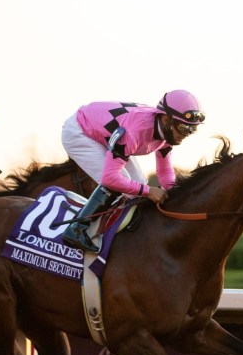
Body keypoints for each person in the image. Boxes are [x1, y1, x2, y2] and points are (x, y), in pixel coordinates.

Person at [60, 90, 205, 252]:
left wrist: (176, 195)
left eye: (192, 130)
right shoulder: (136, 132)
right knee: (123, 183)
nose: (186, 135)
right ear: (166, 119)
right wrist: (149, 191)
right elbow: (110, 179)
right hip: (79, 131)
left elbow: (165, 173)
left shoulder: (167, 132)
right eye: (185, 128)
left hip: (104, 131)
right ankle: (76, 229)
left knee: (138, 186)